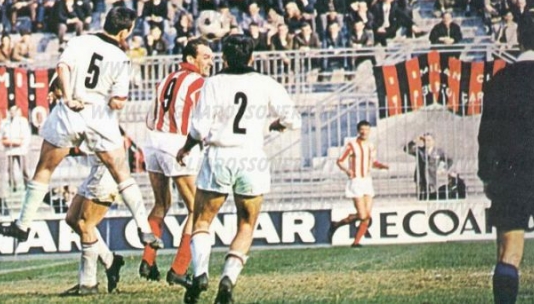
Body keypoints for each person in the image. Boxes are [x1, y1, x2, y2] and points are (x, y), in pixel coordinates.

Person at [0, 7, 163, 250]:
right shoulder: (120, 58)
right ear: (124, 32)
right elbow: (118, 101)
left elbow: (62, 68)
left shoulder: (79, 41)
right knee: (122, 175)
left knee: (44, 169)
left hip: (69, 113)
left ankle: (23, 225)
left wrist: (67, 97)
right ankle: (144, 229)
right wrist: (109, 101)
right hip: (99, 116)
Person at [177, 35, 302, 304]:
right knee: (246, 224)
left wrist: (186, 148)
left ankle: (200, 274)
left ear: (224, 58)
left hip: (219, 155)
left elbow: (198, 128)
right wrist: (277, 125)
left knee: (202, 220)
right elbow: (293, 119)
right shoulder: (265, 83)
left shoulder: (213, 83)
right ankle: (228, 278)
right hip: (251, 157)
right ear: (251, 58)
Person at [478, 14, 534, 304]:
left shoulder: (500, 81)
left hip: (510, 176)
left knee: (508, 252)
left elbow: (487, 135)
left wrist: (487, 175)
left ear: (519, 38)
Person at [140, 39, 213, 285]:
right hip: (177, 145)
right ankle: (179, 269)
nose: (210, 62)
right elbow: (204, 122)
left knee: (161, 203)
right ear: (191, 58)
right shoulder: (199, 83)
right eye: (205, 57)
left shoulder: (166, 79)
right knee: (197, 210)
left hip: (153, 143)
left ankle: (148, 260)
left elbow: (149, 118)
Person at [61, 156, 126, 296]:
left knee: (85, 225)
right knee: (72, 219)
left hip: (106, 172)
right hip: (96, 170)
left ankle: (88, 283)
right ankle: (110, 261)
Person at [329, 121, 389, 247]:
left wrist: (382, 166)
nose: (364, 132)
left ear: (369, 131)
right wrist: (347, 171)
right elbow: (340, 161)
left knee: (366, 216)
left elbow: (373, 162)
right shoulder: (352, 145)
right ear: (358, 131)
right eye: (362, 129)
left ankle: (356, 242)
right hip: (356, 182)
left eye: (367, 129)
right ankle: (337, 224)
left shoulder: (371, 146)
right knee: (362, 215)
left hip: (367, 181)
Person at [404, 133, 453, 200]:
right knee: (422, 199)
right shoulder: (419, 150)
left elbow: (449, 160)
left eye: (429, 140)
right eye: (425, 140)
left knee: (433, 198)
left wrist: (443, 168)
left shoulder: (439, 151)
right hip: (421, 179)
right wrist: (414, 141)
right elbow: (406, 149)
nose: (427, 142)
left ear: (433, 141)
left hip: (433, 178)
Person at [0, 106, 32, 193]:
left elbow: (27, 135)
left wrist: (23, 144)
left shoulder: (23, 121)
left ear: (18, 111)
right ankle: (13, 186)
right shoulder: (5, 122)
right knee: (10, 169)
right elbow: (1, 134)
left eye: (14, 111)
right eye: (11, 111)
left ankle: (27, 185)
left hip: (20, 149)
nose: (12, 112)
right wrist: (4, 142)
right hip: (9, 149)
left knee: (24, 169)